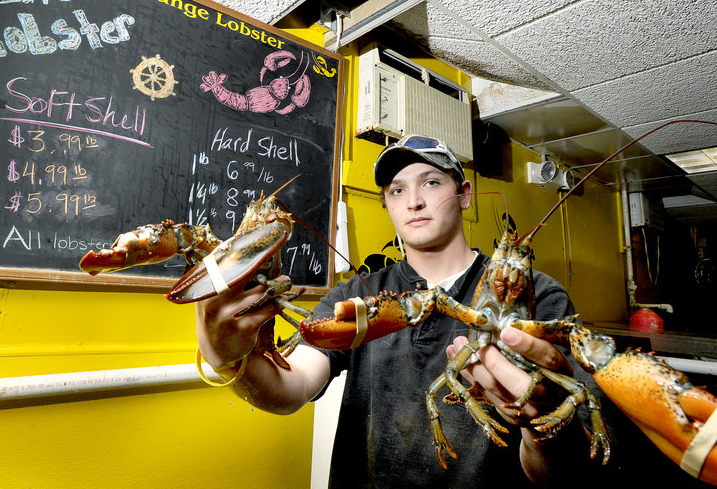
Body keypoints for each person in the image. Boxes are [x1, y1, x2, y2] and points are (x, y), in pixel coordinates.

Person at [195, 134, 600, 488]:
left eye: (431, 182)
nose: (415, 201)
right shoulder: (355, 294)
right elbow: (290, 390)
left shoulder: (541, 296)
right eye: (397, 190)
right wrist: (229, 358)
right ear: (387, 205)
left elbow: (562, 475)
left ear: (464, 194)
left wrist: (543, 428)